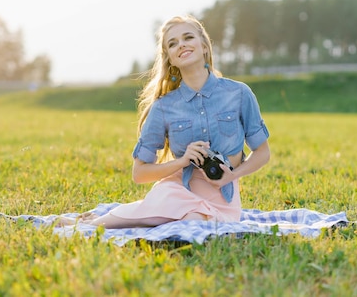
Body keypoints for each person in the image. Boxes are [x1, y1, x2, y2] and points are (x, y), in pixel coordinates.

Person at [61, 14, 270, 228]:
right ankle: (91, 224)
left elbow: (263, 152)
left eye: (188, 37)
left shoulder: (239, 93)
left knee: (196, 221)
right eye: (173, 43)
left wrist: (231, 176)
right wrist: (182, 160)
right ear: (169, 57)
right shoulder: (163, 107)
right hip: (178, 191)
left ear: (204, 46)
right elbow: (139, 174)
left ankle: (115, 218)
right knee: (178, 215)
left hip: (222, 198)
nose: (181, 45)